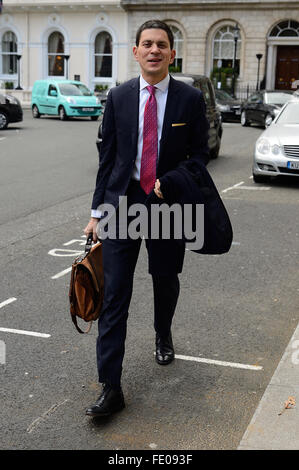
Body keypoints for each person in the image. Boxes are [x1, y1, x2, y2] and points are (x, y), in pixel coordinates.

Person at [84, 19, 209, 417]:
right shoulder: (118, 97)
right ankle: (111, 387)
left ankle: (162, 330)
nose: (154, 50)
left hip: (168, 205)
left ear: (172, 54)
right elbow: (108, 160)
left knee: (165, 277)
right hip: (123, 204)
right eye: (147, 44)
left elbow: (200, 156)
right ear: (136, 52)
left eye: (161, 45)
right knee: (114, 295)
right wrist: (95, 213)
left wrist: (172, 180)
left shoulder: (189, 99)